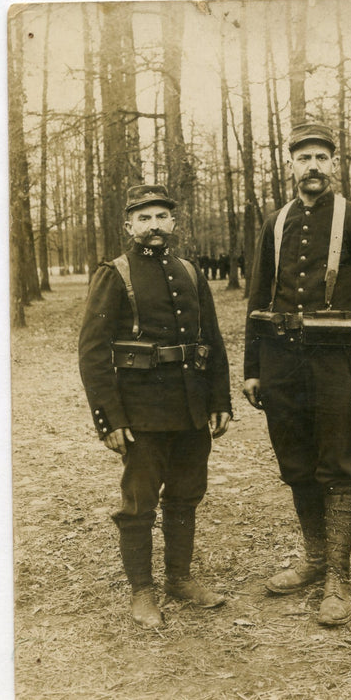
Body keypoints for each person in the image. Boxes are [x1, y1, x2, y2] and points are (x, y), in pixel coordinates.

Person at [243, 122, 351, 626]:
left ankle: (339, 576)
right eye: (303, 158)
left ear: (334, 165)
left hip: (336, 364)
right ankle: (312, 559)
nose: (312, 167)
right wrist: (252, 368)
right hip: (281, 363)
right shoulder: (275, 221)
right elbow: (258, 298)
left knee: (337, 463)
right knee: (296, 461)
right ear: (290, 166)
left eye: (320, 158)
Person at [79, 184, 232, 629]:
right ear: (129, 226)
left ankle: (180, 580)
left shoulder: (189, 270)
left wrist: (219, 400)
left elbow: (212, 340)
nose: (153, 226)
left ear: (173, 223)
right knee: (139, 502)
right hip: (141, 410)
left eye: (161, 216)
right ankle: (142, 591)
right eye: (143, 219)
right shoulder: (115, 273)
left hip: (190, 407)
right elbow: (92, 351)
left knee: (186, 494)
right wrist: (109, 418)